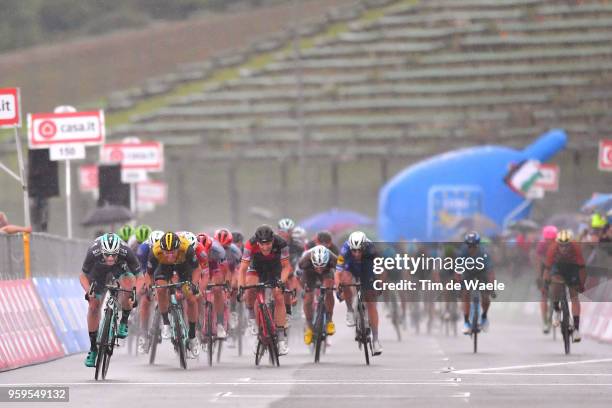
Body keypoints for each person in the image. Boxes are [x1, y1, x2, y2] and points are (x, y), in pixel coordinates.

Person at [79, 233, 141, 367]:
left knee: (128, 288)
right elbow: (83, 276)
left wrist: (135, 294)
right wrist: (88, 291)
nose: (111, 258)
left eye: (114, 255)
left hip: (121, 269)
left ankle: (124, 321)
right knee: (93, 306)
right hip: (98, 272)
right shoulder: (93, 251)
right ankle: (93, 349)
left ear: (119, 251)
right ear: (102, 251)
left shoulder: (126, 251)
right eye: (107, 255)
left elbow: (140, 277)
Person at [238, 225, 292, 355]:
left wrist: (281, 282)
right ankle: (255, 324)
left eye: (268, 243)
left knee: (278, 295)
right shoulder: (250, 245)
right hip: (256, 268)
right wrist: (241, 286)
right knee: (251, 289)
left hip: (275, 269)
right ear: (257, 242)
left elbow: (286, 267)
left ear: (273, 240)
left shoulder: (281, 243)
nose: (265, 247)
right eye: (262, 244)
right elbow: (243, 269)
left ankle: (280, 339)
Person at [148, 232, 201, 357]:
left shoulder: (186, 248)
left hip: (183, 267)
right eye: (167, 252)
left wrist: (193, 284)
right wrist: (150, 286)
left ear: (178, 248)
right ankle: (166, 322)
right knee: (161, 289)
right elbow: (149, 273)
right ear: (162, 249)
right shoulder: (155, 251)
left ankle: (192, 336)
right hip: (163, 267)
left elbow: (197, 269)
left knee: (191, 299)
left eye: (173, 252)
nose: (170, 255)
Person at [335, 231, 382, 355]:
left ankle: (376, 340)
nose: (356, 253)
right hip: (351, 268)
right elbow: (338, 272)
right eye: (354, 250)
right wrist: (337, 286)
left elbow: (380, 269)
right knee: (344, 280)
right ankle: (350, 310)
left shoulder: (371, 249)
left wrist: (379, 283)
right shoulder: (345, 249)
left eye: (359, 250)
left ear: (364, 247)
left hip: (367, 268)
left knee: (371, 302)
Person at [544, 229, 586, 342]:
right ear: (557, 244)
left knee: (574, 296)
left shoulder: (576, 247)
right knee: (555, 285)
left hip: (572, 268)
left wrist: (581, 284)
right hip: (557, 267)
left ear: (570, 244)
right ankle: (557, 309)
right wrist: (546, 284)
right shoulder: (552, 248)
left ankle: (576, 330)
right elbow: (547, 269)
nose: (563, 248)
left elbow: (582, 268)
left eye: (566, 246)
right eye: (561, 246)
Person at [458, 231, 495, 335]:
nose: (471, 248)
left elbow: (490, 272)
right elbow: (458, 270)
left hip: (481, 273)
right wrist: (458, 282)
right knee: (465, 293)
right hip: (468, 273)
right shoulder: (462, 252)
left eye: (474, 246)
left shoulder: (484, 253)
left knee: (485, 295)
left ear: (478, 245)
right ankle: (466, 322)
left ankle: (484, 316)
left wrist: (491, 285)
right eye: (469, 246)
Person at [300, 245, 336, 345]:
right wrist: (304, 289)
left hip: (327, 273)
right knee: (308, 299)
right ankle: (309, 327)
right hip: (309, 273)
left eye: (322, 266)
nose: (319, 269)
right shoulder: (304, 261)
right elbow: (299, 276)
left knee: (329, 290)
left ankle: (329, 320)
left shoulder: (333, 259)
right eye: (317, 266)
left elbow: (340, 272)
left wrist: (339, 286)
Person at [536, 225, 557, 334]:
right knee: (544, 296)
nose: (549, 242)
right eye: (547, 240)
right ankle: (545, 322)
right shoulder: (541, 245)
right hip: (545, 268)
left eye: (552, 240)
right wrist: (540, 276)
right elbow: (539, 261)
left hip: (557, 267)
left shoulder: (560, 244)